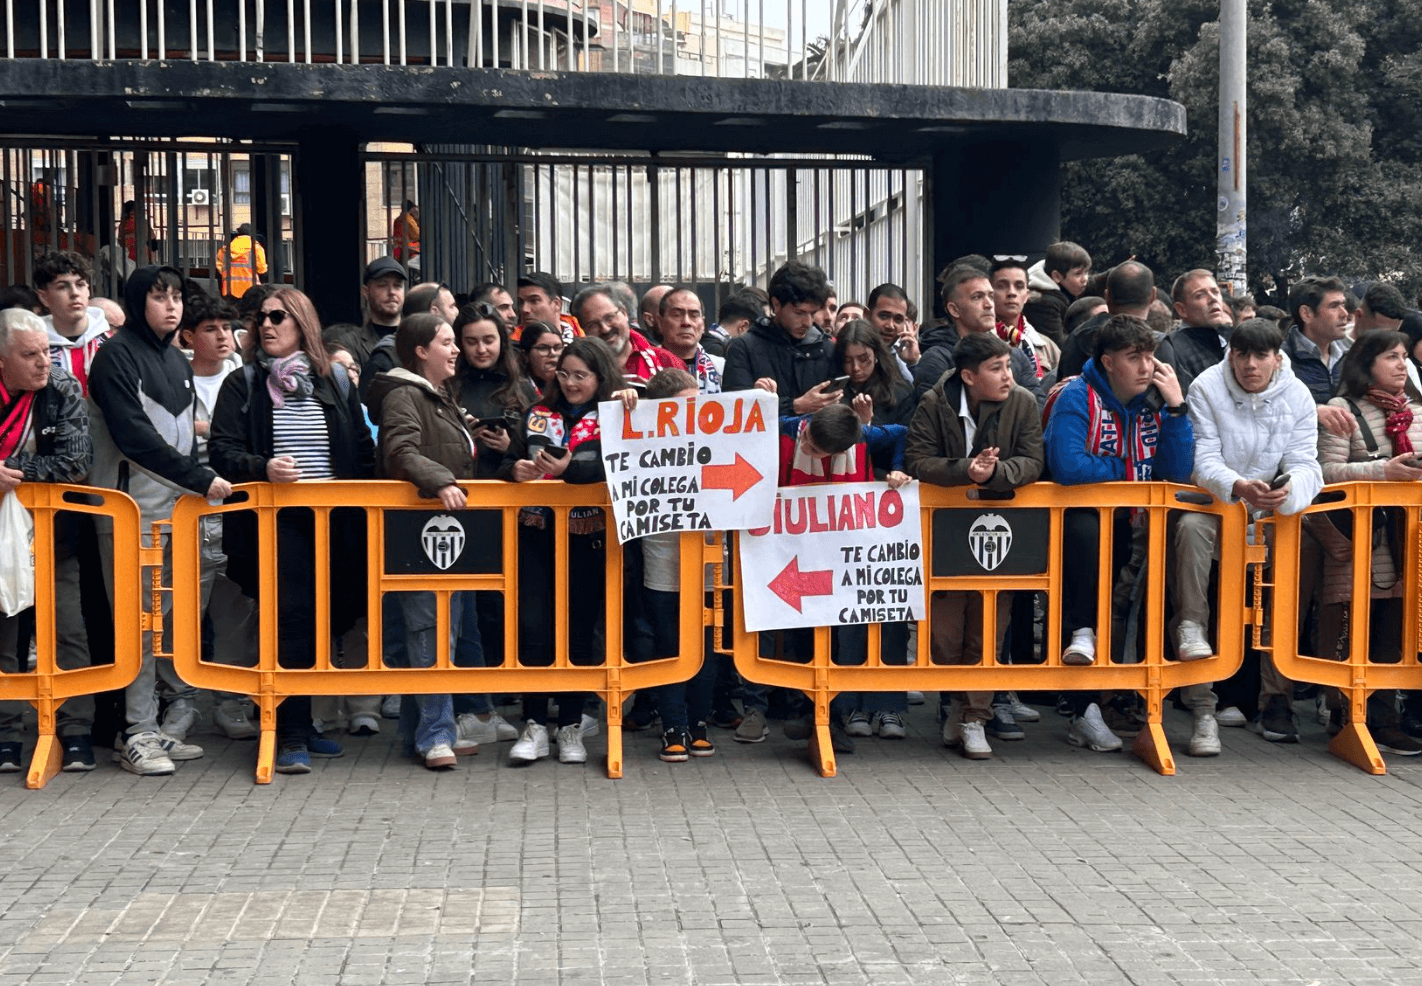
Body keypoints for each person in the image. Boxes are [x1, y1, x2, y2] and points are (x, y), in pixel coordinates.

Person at [210, 287, 375, 775]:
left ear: (303, 321)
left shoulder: (336, 380)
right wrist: (263, 468)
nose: (266, 324)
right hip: (278, 523)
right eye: (260, 317)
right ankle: (290, 732)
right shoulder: (243, 384)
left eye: (278, 315)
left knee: (333, 616)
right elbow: (222, 451)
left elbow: (362, 448)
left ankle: (308, 721)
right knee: (294, 620)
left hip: (337, 522)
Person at [88, 266, 231, 775]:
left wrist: (195, 481)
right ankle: (136, 733)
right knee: (135, 624)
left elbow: (182, 438)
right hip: (129, 515)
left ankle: (154, 725)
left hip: (174, 511)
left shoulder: (175, 358)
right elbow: (132, 435)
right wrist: (198, 478)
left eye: (175, 296)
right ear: (136, 300)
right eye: (158, 296)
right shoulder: (114, 357)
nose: (171, 305)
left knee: (165, 624)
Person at [1044, 314, 1194, 751]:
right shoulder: (1077, 395)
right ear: (1109, 361)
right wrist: (1130, 473)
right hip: (1076, 531)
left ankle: (1116, 700)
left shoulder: (1156, 400)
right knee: (1083, 602)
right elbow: (1069, 467)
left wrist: (1177, 409)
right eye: (1134, 358)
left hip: (1133, 526)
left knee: (1129, 613)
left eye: (1150, 356)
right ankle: (1083, 706)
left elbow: (1175, 472)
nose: (1146, 366)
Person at [1178, 318, 1323, 755]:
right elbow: (1201, 458)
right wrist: (1238, 486)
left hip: (1272, 512)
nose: (1250, 364)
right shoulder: (1205, 387)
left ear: (1277, 359)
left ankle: (1276, 697)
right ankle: (1197, 671)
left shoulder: (1298, 394)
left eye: (1260, 355)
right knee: (1188, 530)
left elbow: (1307, 461)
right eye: (1242, 354)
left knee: (1303, 551)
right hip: (1215, 506)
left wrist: (1288, 490)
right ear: (1232, 354)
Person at [904, 332, 1044, 759]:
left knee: (988, 629)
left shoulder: (1022, 402)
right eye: (996, 368)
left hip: (999, 531)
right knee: (945, 636)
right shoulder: (934, 402)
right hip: (945, 530)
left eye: (1009, 365)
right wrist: (967, 470)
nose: (1008, 376)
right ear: (968, 376)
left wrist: (996, 474)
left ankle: (975, 718)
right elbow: (916, 460)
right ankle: (953, 703)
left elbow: (1034, 461)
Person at [499, 336, 624, 766]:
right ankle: (534, 723)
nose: (571, 383)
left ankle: (570, 725)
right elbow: (509, 459)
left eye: (581, 376)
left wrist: (572, 470)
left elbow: (618, 466)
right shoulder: (538, 413)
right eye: (564, 373)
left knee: (577, 630)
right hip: (535, 534)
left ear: (600, 377)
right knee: (534, 626)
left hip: (587, 538)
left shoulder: (614, 416)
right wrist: (512, 469)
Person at [365, 314, 478, 770]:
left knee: (437, 629)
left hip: (446, 532)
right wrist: (440, 481)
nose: (456, 349)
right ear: (420, 351)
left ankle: (425, 731)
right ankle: (435, 735)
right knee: (430, 630)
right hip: (422, 533)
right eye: (447, 342)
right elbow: (401, 450)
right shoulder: (405, 396)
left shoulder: (434, 395)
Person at [1316, 330, 1422, 756]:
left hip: (1412, 540)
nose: (1401, 364)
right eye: (1390, 356)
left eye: (1403, 356)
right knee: (1356, 625)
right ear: (1365, 363)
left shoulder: (1418, 409)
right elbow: (1324, 472)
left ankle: (1386, 716)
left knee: (1398, 630)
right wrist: (1382, 471)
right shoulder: (1342, 410)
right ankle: (1350, 713)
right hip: (1365, 537)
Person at [0, 310, 96, 774]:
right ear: (2, 361)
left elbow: (76, 462)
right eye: (30, 355)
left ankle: (76, 731)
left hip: (56, 533)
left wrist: (11, 474)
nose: (44, 363)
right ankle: (5, 735)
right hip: (1, 536)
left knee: (67, 629)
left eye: (46, 352)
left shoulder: (62, 389)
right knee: (6, 632)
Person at [448, 302, 533, 748]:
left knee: (504, 604)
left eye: (489, 339)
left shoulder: (523, 389)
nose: (481, 348)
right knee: (469, 609)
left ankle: (500, 691)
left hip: (510, 510)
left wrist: (508, 444)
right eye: (472, 340)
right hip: (460, 508)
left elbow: (540, 449)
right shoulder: (449, 384)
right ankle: (473, 700)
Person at [176, 291, 260, 742]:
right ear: (188, 336)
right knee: (178, 613)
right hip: (185, 508)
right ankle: (179, 703)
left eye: (227, 328)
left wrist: (205, 433)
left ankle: (232, 702)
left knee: (236, 610)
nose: (223, 336)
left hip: (235, 511)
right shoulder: (174, 378)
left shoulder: (244, 379)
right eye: (211, 328)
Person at [722, 260, 837, 416]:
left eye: (812, 313)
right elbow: (734, 413)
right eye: (800, 313)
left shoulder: (826, 348)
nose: (808, 323)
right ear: (776, 304)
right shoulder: (744, 348)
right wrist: (794, 406)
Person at [913, 265, 1041, 404]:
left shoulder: (1015, 356)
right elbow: (938, 415)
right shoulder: (937, 359)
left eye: (991, 296)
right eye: (977, 297)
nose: (989, 305)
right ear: (954, 310)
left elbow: (1036, 407)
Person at [34, 251, 112, 397]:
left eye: (80, 284)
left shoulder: (111, 341)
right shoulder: (34, 347)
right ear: (44, 297)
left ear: (88, 290)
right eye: (63, 287)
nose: (75, 293)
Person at [569, 284, 684, 382]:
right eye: (593, 325)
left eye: (609, 318)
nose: (605, 329)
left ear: (624, 313)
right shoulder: (576, 372)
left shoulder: (667, 362)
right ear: (582, 329)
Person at [324, 257, 406, 372]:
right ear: (365, 291)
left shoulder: (417, 337)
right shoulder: (350, 343)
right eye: (382, 285)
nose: (392, 292)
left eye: (397, 285)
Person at [1283, 276, 1351, 403]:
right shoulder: (1281, 360)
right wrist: (1315, 412)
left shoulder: (1352, 355)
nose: (1344, 313)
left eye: (1343, 305)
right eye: (1334, 306)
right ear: (1306, 314)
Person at [835, 321, 914, 428]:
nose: (856, 367)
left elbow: (904, 437)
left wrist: (868, 423)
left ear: (876, 354)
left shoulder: (899, 393)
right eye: (848, 361)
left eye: (863, 359)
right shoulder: (834, 392)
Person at [991, 257, 1059, 377]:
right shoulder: (980, 343)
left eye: (1019, 286)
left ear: (1027, 295)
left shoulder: (1046, 347)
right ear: (990, 293)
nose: (1012, 292)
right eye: (1002, 286)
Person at [1023, 241, 1092, 345]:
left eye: (1086, 272)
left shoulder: (1066, 285)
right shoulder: (1043, 303)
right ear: (1057, 276)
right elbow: (1059, 344)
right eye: (1078, 274)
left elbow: (1096, 282)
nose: (1085, 279)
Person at [655, 286, 722, 394]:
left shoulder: (721, 368)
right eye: (677, 315)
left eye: (694, 315)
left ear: (703, 325)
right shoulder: (645, 366)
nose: (686, 322)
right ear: (660, 322)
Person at [516, 272, 582, 344]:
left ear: (557, 304)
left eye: (534, 300)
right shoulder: (512, 345)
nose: (524, 309)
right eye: (521, 302)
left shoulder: (584, 342)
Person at [215, 224, 267, 300]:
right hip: (249, 291)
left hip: (229, 290)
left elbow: (220, 268)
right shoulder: (256, 248)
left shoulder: (224, 250)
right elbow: (262, 269)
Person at [516, 320, 564, 393]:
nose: (553, 353)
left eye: (558, 347)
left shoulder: (570, 387)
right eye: (543, 348)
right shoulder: (516, 392)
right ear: (525, 355)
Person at [391, 201, 420, 268]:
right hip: (408, 248)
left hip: (397, 249)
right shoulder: (409, 219)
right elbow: (417, 234)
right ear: (412, 209)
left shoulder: (397, 219)